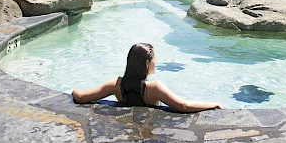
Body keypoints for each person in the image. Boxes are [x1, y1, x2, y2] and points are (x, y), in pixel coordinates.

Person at [72, 43, 223, 112]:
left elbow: (82, 97)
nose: (156, 62)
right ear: (147, 63)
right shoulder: (154, 88)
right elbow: (183, 106)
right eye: (154, 59)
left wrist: (74, 90)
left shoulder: (116, 84)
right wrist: (213, 104)